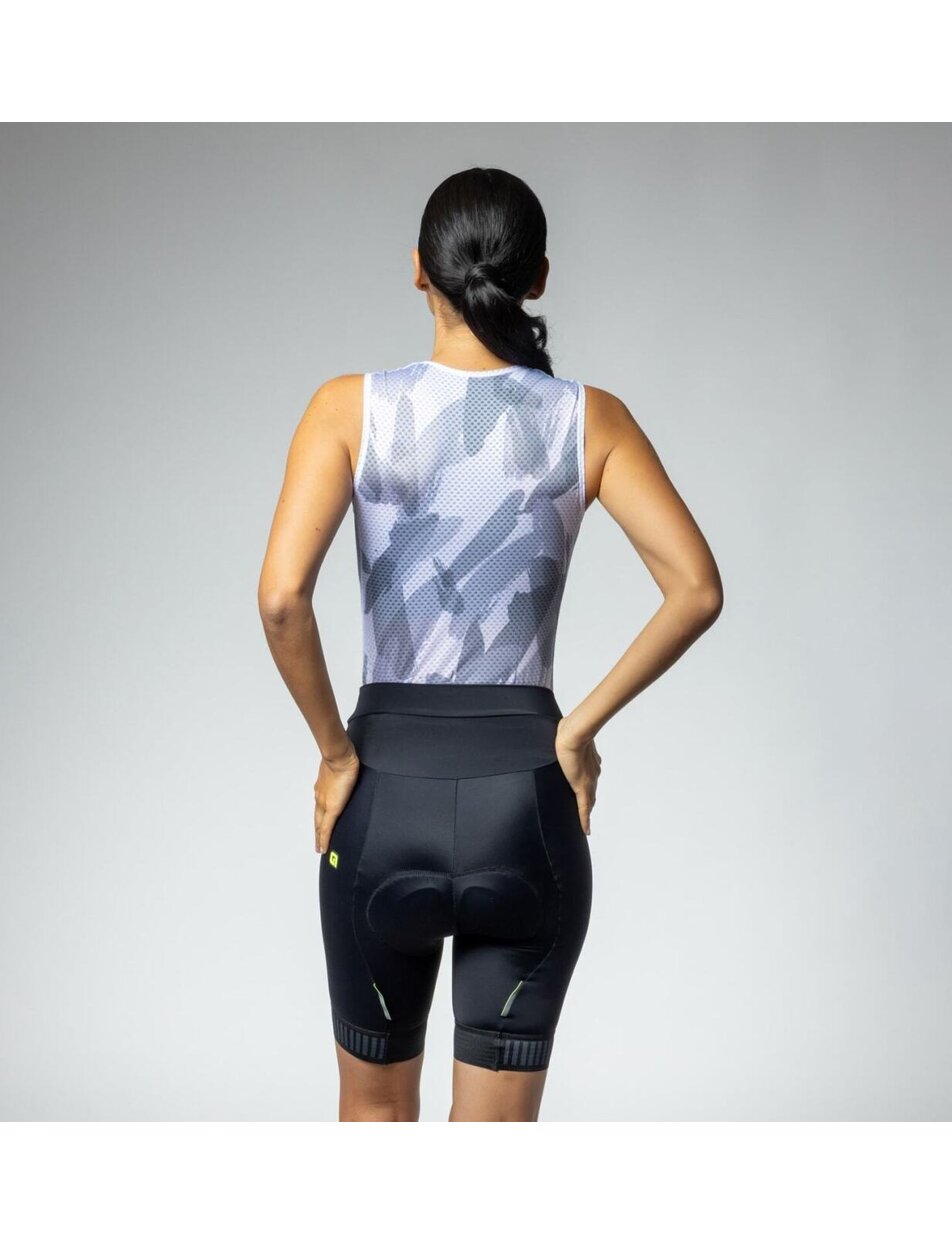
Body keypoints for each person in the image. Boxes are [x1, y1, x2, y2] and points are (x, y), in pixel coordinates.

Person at [258, 167, 723, 1122]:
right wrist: (577, 730)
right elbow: (696, 589)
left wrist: (336, 756)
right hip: (528, 810)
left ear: (417, 271)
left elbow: (281, 600)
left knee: (373, 1119)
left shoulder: (347, 408)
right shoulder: (590, 419)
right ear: (538, 277)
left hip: (381, 801)